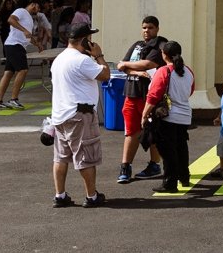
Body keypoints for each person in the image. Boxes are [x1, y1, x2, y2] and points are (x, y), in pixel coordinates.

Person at [49, 22, 110, 208]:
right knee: (86, 156)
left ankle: (60, 195)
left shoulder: (59, 58)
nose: (92, 42)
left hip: (60, 115)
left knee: (61, 157)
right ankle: (91, 196)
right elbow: (105, 74)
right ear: (83, 40)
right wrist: (98, 55)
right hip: (79, 115)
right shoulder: (82, 60)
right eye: (89, 39)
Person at [115, 15, 168, 183]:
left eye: (150, 27)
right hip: (131, 95)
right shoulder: (137, 45)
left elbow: (148, 64)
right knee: (131, 132)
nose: (147, 31)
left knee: (152, 132)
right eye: (144, 27)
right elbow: (120, 65)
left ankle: (154, 164)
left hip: (149, 97)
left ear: (157, 29)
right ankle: (125, 167)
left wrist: (127, 65)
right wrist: (135, 71)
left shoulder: (161, 45)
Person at [141, 40, 195, 194]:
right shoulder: (188, 71)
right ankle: (184, 177)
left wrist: (144, 115)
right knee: (181, 147)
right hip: (185, 116)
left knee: (167, 151)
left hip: (168, 116)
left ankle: (170, 183)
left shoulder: (164, 71)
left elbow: (153, 96)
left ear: (164, 55)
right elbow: (191, 91)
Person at [0, 0, 40, 110]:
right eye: (39, 6)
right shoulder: (21, 11)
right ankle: (14, 99)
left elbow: (27, 34)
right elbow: (11, 20)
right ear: (33, 4)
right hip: (15, 45)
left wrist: (37, 44)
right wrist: (24, 30)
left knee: (9, 72)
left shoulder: (29, 17)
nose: (39, 9)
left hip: (14, 45)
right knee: (23, 70)